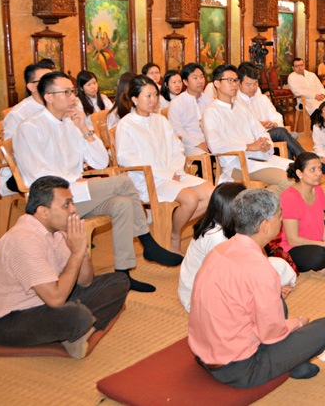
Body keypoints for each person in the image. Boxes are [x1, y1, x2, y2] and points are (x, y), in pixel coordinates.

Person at [15, 71, 183, 291]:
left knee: (123, 203)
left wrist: (85, 130)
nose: (73, 97)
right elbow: (38, 175)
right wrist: (75, 183)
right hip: (51, 202)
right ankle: (148, 243)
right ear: (48, 97)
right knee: (123, 182)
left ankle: (123, 274)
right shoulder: (30, 127)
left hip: (77, 194)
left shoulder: (71, 124)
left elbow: (101, 161)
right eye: (66, 92)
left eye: (73, 92)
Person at [189, 189, 325, 387]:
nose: (283, 219)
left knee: (278, 303)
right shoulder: (260, 270)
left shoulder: (219, 250)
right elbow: (271, 334)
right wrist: (297, 324)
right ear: (265, 226)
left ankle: (292, 361)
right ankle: (289, 361)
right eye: (279, 216)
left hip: (204, 354)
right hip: (239, 369)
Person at [0, 176, 129, 357]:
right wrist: (75, 254)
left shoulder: (57, 232)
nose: (74, 210)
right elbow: (56, 300)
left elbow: (85, 282)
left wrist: (82, 251)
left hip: (47, 301)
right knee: (76, 316)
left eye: (72, 202)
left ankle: (79, 330)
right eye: (66, 205)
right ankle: (81, 326)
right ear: (43, 212)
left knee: (119, 281)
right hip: (8, 320)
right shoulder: (24, 239)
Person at [116, 75, 215, 253]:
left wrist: (174, 170)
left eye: (155, 95)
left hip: (173, 174)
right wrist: (165, 173)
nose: (153, 100)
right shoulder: (126, 124)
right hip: (149, 179)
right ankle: (175, 235)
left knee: (213, 195)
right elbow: (125, 158)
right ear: (134, 99)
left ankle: (173, 222)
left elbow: (177, 147)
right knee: (190, 199)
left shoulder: (160, 120)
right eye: (148, 96)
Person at [178, 183, 296, 312]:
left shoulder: (231, 224)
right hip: (203, 296)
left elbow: (257, 257)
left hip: (231, 274)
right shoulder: (215, 236)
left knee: (281, 266)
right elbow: (227, 279)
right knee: (266, 296)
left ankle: (271, 288)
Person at [202, 65, 292, 193]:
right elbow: (215, 145)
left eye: (236, 80)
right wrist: (248, 146)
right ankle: (258, 203)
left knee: (301, 172)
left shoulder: (241, 107)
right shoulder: (211, 112)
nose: (234, 84)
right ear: (216, 83)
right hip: (237, 163)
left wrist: (266, 143)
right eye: (230, 80)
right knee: (288, 181)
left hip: (260, 156)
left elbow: (260, 130)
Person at [0, 61, 54, 195]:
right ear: (31, 86)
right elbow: (12, 151)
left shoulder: (58, 105)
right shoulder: (19, 114)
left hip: (54, 162)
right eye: (44, 81)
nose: (51, 85)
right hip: (21, 171)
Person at [238, 64, 304, 159]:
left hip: (269, 132)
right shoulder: (236, 102)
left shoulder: (262, 98)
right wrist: (259, 124)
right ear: (239, 84)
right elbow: (242, 124)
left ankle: (291, 170)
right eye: (248, 84)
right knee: (282, 133)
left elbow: (276, 115)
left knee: (285, 142)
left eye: (255, 84)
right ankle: (305, 159)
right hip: (253, 137)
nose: (252, 87)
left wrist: (273, 124)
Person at [168, 63, 213, 156]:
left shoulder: (209, 100)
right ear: (185, 82)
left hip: (210, 142)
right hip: (189, 145)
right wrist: (198, 143)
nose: (200, 81)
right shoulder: (177, 103)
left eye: (201, 77)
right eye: (195, 78)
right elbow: (177, 130)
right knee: (207, 158)